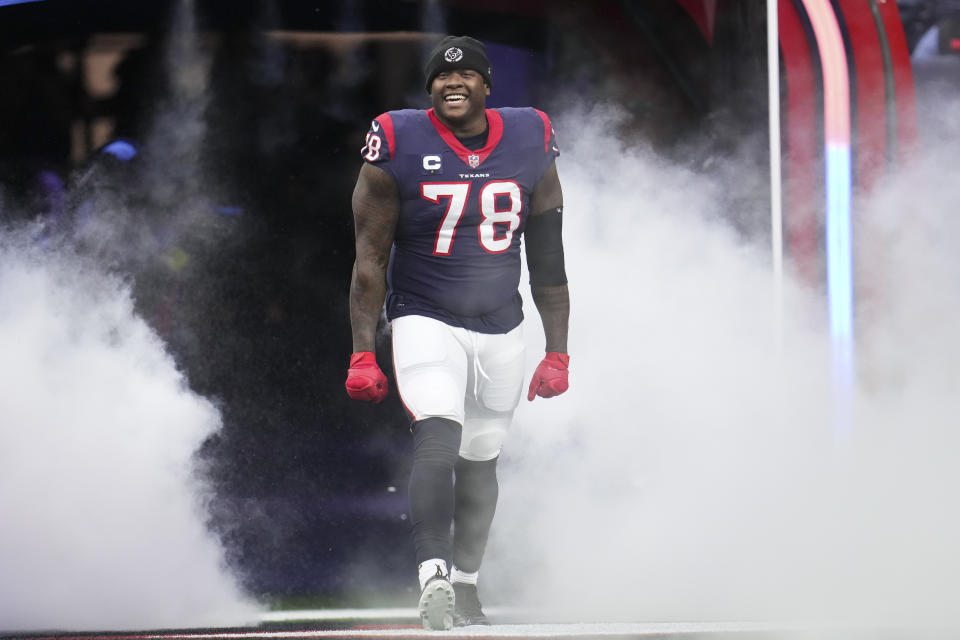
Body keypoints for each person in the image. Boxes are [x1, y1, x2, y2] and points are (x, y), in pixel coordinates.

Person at [345, 35, 571, 630]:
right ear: (429, 89)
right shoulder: (397, 139)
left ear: (487, 86)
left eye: (467, 74)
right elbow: (370, 259)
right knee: (437, 435)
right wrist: (362, 352)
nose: (454, 83)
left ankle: (467, 585)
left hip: (503, 324)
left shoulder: (529, 136)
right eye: (442, 77)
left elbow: (548, 257)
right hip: (425, 315)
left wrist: (559, 351)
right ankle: (433, 577)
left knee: (482, 458)